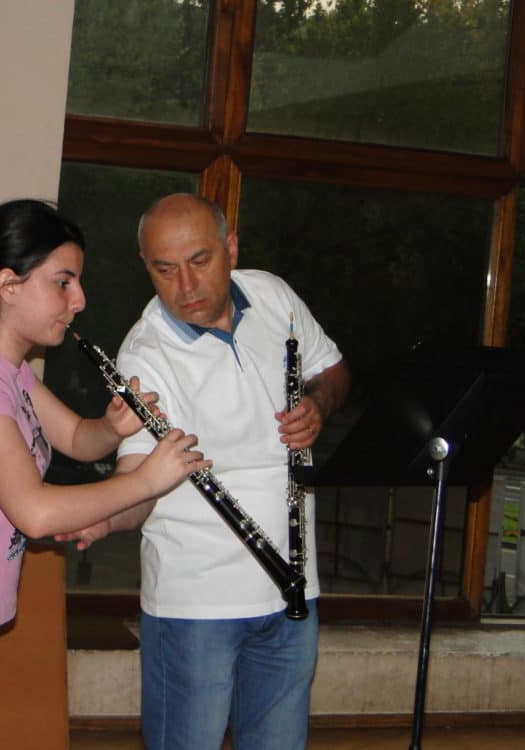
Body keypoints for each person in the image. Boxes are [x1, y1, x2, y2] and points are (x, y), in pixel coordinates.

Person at [0, 198, 210, 750]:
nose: (79, 300)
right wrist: (148, 481)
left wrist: (112, 427)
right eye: (63, 282)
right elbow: (34, 512)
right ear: (9, 284)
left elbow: (75, 436)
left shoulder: (3, 365)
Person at [57, 193, 351, 750]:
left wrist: (318, 404)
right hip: (196, 607)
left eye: (199, 261)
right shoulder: (145, 355)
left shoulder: (274, 296)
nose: (186, 286)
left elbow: (332, 371)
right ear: (146, 267)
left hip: (292, 589)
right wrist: (106, 516)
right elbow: (140, 478)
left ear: (231, 249)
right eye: (165, 270)